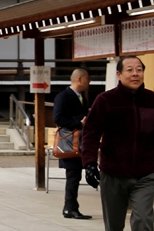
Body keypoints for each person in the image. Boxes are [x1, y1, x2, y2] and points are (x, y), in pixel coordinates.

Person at [82, 56, 154, 231]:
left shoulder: (152, 100)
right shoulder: (105, 100)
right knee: (114, 226)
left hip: (145, 174)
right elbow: (90, 134)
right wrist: (89, 164)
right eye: (130, 70)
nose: (135, 74)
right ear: (119, 74)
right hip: (113, 173)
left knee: (143, 220)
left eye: (139, 69)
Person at [53, 68, 90, 220]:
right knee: (73, 175)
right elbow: (58, 118)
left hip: (80, 141)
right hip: (70, 141)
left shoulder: (82, 97)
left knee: (75, 175)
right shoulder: (63, 96)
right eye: (88, 79)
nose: (89, 82)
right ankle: (70, 208)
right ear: (79, 79)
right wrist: (78, 123)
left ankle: (71, 207)